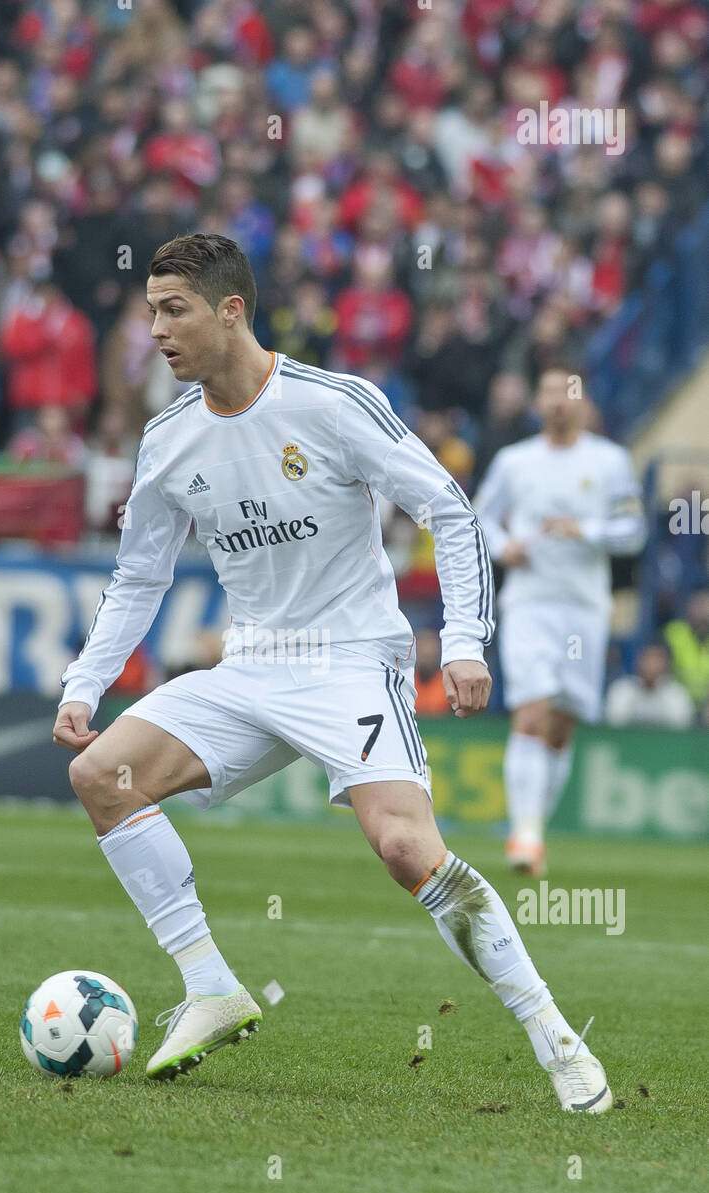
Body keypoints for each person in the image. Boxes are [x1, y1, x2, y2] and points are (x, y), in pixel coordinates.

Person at [54, 233, 612, 1113]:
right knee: (101, 776)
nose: (155, 330)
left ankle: (556, 1037)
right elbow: (140, 574)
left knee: (403, 848)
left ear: (230, 311)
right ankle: (211, 986)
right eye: (150, 311)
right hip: (252, 664)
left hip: (351, 659)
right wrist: (85, 683)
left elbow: (449, 508)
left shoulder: (331, 403)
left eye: (174, 310)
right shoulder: (166, 440)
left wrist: (465, 641)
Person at [473, 366, 646, 876]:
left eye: (567, 393)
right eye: (548, 392)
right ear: (537, 401)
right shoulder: (515, 462)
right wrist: (507, 547)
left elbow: (634, 529)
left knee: (561, 724)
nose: (557, 402)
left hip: (585, 608)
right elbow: (479, 514)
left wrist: (586, 530)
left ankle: (534, 829)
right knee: (532, 710)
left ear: (583, 401)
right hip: (530, 602)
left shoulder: (609, 461)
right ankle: (524, 837)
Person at [604, 642, 693, 729]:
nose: (650, 664)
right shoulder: (621, 690)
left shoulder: (677, 694)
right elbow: (614, 725)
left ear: (666, 664)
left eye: (657, 660)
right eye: (646, 658)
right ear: (637, 661)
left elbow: (680, 728)